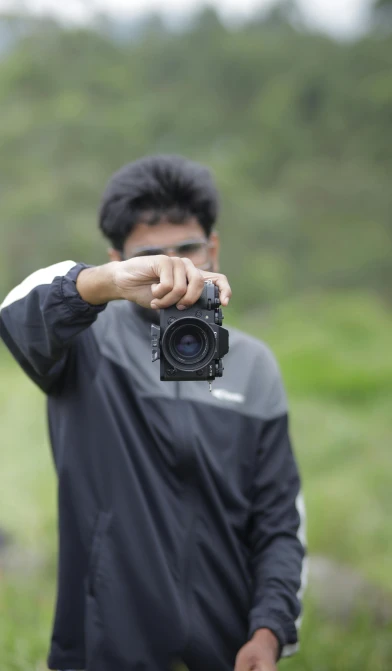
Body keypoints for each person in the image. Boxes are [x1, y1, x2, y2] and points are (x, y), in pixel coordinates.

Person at [0, 155, 306, 671]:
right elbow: (16, 312)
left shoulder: (255, 366)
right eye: (150, 255)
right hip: (103, 649)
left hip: (225, 649)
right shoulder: (86, 345)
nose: (175, 266)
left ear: (213, 247)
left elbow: (279, 522)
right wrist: (105, 284)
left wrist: (269, 630)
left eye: (188, 249)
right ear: (118, 256)